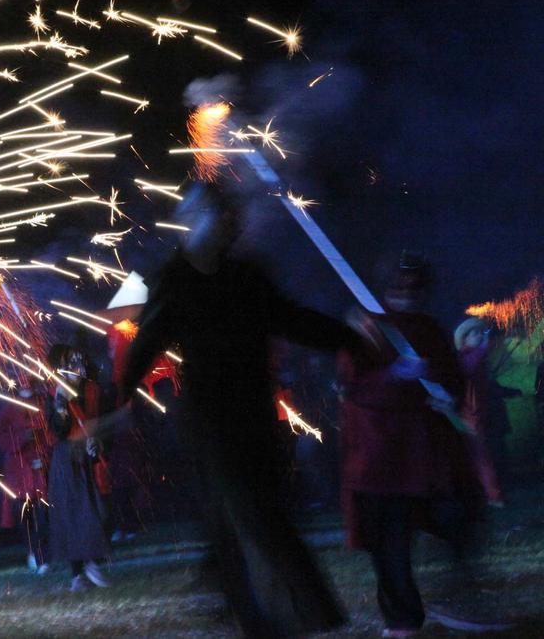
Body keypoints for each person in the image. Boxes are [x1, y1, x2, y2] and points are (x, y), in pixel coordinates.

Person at [119, 181, 356, 637]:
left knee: (264, 515)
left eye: (232, 217)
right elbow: (147, 342)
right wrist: (118, 398)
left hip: (253, 414)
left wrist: (349, 335)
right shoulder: (175, 278)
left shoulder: (246, 276)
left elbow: (289, 318)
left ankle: (283, 611)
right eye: (218, 214)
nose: (231, 224)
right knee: (242, 518)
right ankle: (262, 615)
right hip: (209, 421)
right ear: (194, 218)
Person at [337, 253, 490, 637]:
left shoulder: (428, 327)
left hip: (426, 456)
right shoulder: (364, 327)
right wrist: (393, 375)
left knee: (459, 516)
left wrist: (448, 395)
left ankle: (454, 598)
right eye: (399, 281)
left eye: (414, 282)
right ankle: (403, 622)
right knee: (390, 546)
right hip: (379, 457)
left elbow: (450, 379)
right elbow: (350, 387)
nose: (407, 289)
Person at [46, 344, 112, 592]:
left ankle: (93, 561)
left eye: (81, 361)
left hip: (88, 459)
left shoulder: (92, 390)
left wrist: (98, 443)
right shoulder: (55, 393)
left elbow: (100, 424)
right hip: (67, 461)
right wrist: (61, 406)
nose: (80, 366)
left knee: (97, 510)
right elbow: (57, 432)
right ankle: (78, 574)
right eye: (74, 362)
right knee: (72, 514)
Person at [0, 383, 52, 574]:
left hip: (39, 467)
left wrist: (43, 448)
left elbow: (52, 432)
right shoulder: (10, 407)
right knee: (25, 517)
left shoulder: (42, 403)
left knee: (42, 515)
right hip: (19, 472)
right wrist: (21, 438)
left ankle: (43, 555)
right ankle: (34, 553)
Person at [455, 317, 516, 506]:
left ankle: (488, 494)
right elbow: (468, 370)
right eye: (475, 333)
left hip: (480, 413)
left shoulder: (479, 358)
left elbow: (486, 386)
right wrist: (483, 348)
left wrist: (508, 391)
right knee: (481, 457)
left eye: (481, 332)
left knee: (484, 455)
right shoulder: (466, 356)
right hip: (469, 415)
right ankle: (493, 496)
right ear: (464, 338)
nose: (480, 336)